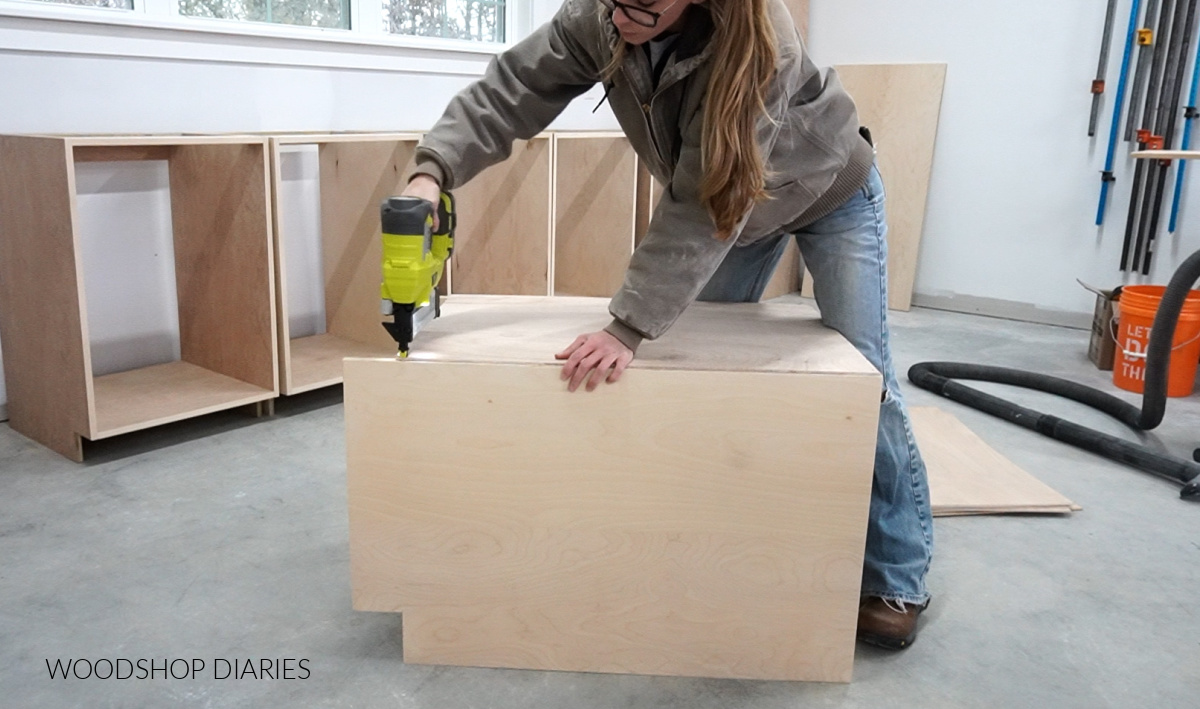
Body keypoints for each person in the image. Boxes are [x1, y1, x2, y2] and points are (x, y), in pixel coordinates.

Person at [402, 0, 934, 650]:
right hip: (730, 205)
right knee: (695, 369)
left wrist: (625, 326)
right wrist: (433, 170)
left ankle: (895, 575)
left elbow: (705, 195)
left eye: (643, 8)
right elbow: (515, 89)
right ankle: (728, 532)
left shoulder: (762, 42)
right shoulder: (603, 15)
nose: (621, 18)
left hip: (825, 192)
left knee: (864, 381)